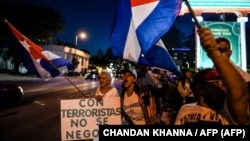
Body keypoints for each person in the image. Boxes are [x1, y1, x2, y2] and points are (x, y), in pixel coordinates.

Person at [174, 27, 249, 125]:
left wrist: (214, 52)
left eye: (223, 82)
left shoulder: (229, 110)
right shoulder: (185, 109)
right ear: (200, 88)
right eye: (215, 82)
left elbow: (240, 93)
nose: (222, 86)